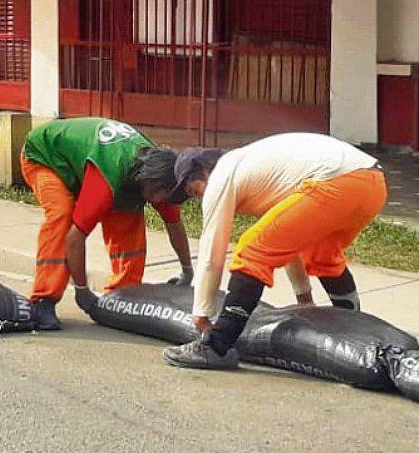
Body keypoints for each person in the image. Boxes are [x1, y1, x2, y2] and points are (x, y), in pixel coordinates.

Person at [146, 133, 387, 369]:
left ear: (202, 170)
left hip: (336, 182)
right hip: (371, 183)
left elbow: (212, 252)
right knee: (323, 256)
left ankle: (216, 347)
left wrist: (201, 311)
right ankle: (355, 329)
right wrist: (303, 296)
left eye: (192, 190)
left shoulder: (221, 175)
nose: (197, 198)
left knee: (251, 252)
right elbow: (288, 240)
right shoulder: (257, 171)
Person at [20, 117, 195, 330]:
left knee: (128, 216)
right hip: (44, 156)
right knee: (62, 214)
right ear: (150, 183)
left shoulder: (164, 178)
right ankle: (42, 301)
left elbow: (174, 224)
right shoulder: (108, 177)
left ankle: (123, 295)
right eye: (161, 199)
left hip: (89, 161)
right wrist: (82, 290)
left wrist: (187, 270)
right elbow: (75, 238)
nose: (162, 204)